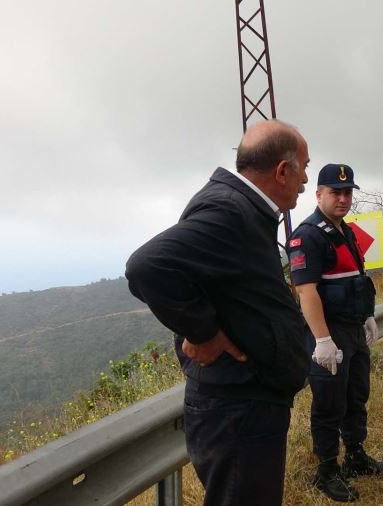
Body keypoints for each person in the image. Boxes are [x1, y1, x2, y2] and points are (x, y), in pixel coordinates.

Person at [125, 119, 310, 506]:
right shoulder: (231, 211)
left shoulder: (240, 208)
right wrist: (203, 332)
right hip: (238, 407)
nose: (306, 179)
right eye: (304, 168)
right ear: (282, 170)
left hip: (242, 402)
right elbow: (147, 266)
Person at [289, 164, 383, 502]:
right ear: (319, 194)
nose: (343, 198)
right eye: (335, 192)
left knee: (356, 395)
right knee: (328, 403)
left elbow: (356, 280)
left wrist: (367, 317)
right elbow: (306, 292)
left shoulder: (345, 231)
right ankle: (327, 471)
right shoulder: (308, 235)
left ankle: (356, 455)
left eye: (348, 192)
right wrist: (322, 340)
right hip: (329, 332)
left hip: (353, 329)